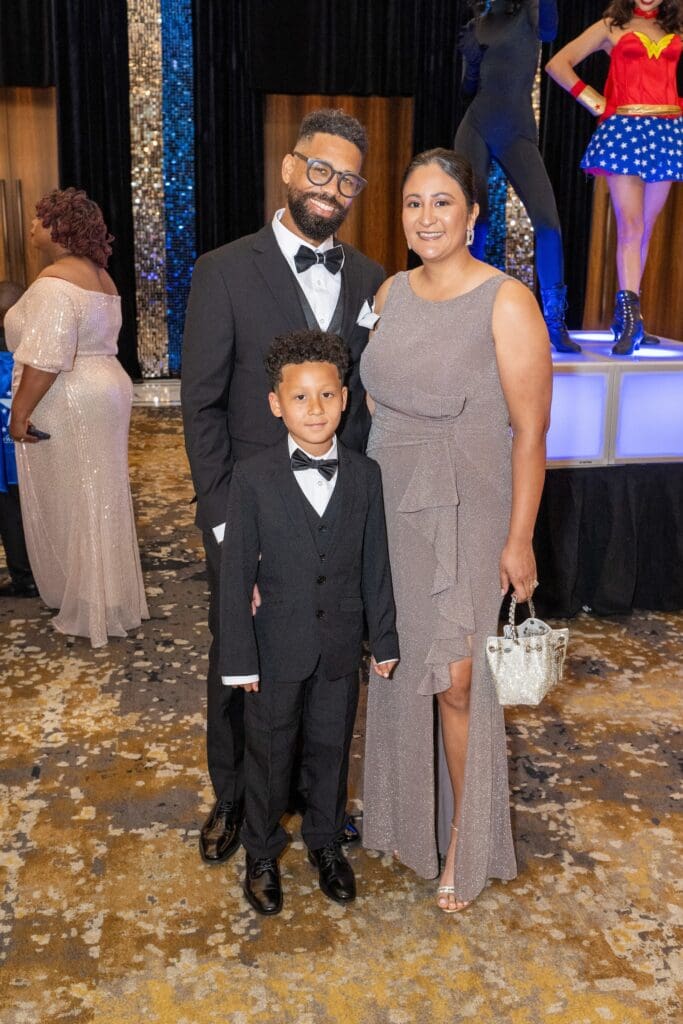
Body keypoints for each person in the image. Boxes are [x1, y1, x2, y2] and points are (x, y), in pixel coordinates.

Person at [181, 108, 384, 866]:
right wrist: (223, 522)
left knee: (324, 653)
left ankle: (310, 797)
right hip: (250, 514)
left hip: (333, 511)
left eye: (348, 178)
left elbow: (360, 406)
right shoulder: (224, 270)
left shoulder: (369, 278)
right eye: (319, 170)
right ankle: (234, 798)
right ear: (290, 168)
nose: (330, 189)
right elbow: (201, 404)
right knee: (241, 658)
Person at [360, 149, 552, 913]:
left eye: (443, 203)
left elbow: (531, 435)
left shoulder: (505, 301)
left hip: (471, 508)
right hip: (393, 506)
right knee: (402, 667)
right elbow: (375, 395)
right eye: (413, 203)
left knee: (460, 682)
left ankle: (466, 843)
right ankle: (410, 823)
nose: (426, 218)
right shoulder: (390, 291)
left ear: (473, 214)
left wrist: (519, 539)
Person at [219, 329, 398, 915]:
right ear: (276, 404)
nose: (315, 409)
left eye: (326, 395)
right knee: (269, 751)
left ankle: (325, 841)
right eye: (300, 398)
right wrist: (239, 656)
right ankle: (262, 851)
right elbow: (235, 571)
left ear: (345, 398)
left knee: (329, 747)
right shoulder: (252, 477)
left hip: (341, 645)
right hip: (274, 646)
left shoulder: (367, 476)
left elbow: (376, 564)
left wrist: (385, 638)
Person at [5, 188, 148, 647]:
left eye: (39, 218)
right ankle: (104, 597)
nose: (31, 226)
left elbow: (46, 358)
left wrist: (19, 414)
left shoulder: (52, 282)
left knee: (77, 496)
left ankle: (89, 605)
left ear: (58, 227)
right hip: (106, 385)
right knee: (99, 493)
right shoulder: (100, 277)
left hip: (71, 393)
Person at [546, 0, 683, 355]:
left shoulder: (675, 27)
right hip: (624, 131)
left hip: (666, 131)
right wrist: (596, 102)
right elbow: (557, 64)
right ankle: (631, 318)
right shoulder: (611, 26)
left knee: (646, 229)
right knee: (631, 226)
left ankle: (628, 319)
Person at [454, 0, 581, 352]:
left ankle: (555, 323)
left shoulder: (529, 11)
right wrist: (472, 60)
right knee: (474, 221)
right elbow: (468, 88)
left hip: (516, 130)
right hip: (476, 125)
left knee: (548, 222)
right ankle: (469, 316)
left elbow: (551, 30)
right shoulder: (476, 22)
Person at [0, 281, 38, 599]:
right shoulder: (35, 357)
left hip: (5, 459)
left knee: (10, 513)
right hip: (35, 450)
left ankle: (23, 577)